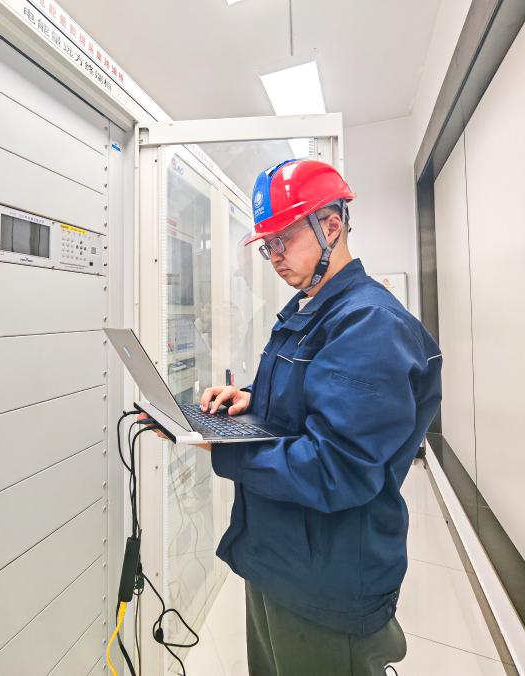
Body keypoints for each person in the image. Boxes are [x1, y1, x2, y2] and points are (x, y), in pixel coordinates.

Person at [198, 159, 442, 675]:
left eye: (283, 239)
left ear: (331, 226)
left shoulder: (369, 323)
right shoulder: (309, 308)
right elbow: (311, 401)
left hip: (327, 583)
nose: (274, 256)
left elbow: (337, 467)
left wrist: (224, 446)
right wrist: (249, 400)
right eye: (267, 245)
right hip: (277, 557)